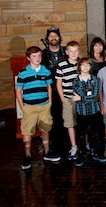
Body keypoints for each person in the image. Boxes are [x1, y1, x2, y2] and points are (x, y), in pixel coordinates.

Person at [16, 46, 58, 170]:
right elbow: (18, 90)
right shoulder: (23, 72)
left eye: (39, 56)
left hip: (44, 105)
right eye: (34, 56)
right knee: (27, 130)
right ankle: (28, 155)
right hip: (29, 106)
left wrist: (49, 101)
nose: (37, 58)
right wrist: (22, 107)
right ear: (28, 58)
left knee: (45, 127)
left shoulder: (45, 70)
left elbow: (49, 86)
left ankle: (47, 152)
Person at [72, 57, 106, 166]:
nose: (85, 67)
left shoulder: (95, 79)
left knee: (96, 133)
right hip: (81, 112)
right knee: (82, 134)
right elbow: (76, 97)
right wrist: (84, 98)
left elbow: (95, 96)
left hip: (94, 110)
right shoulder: (76, 81)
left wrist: (81, 98)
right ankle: (82, 154)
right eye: (83, 65)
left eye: (88, 65)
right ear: (79, 67)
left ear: (91, 67)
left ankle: (97, 152)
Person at [40, 26, 66, 161]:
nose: (53, 38)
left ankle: (67, 143)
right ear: (47, 39)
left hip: (65, 89)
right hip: (49, 90)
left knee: (65, 116)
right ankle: (53, 145)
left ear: (59, 38)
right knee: (52, 117)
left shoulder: (65, 52)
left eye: (55, 36)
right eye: (51, 36)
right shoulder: (43, 55)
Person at [55, 41, 80, 161]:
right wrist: (62, 98)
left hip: (81, 99)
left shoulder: (82, 63)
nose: (73, 53)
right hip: (68, 98)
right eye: (71, 51)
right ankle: (74, 146)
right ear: (66, 52)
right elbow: (58, 83)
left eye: (76, 51)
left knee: (82, 122)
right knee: (70, 122)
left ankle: (85, 144)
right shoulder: (61, 65)